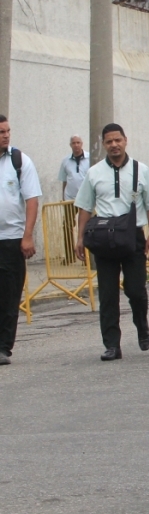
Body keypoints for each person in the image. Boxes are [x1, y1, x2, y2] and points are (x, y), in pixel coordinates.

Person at [74, 124, 149, 361]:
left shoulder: (141, 170)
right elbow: (84, 207)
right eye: (109, 141)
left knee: (136, 290)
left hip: (133, 237)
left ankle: (142, 325)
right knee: (107, 294)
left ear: (125, 140)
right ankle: (112, 344)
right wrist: (80, 237)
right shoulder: (94, 173)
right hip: (104, 239)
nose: (114, 145)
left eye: (117, 140)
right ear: (104, 144)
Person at [0, 116, 40, 366]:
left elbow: (32, 199)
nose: (6, 135)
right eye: (1, 132)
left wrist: (27, 236)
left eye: (7, 131)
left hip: (11, 240)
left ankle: (3, 347)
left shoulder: (19, 161)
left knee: (9, 295)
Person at [58, 135, 88, 201]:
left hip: (86, 199)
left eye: (78, 142)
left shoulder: (90, 158)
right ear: (70, 145)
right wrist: (63, 199)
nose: (76, 145)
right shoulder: (65, 161)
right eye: (73, 143)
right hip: (69, 199)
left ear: (82, 144)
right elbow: (64, 181)